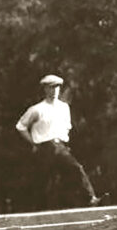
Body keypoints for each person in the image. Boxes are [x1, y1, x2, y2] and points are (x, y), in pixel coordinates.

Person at [16, 74, 104, 208]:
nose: (54, 91)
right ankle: (35, 209)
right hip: (45, 146)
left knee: (74, 169)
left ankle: (90, 198)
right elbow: (21, 126)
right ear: (45, 89)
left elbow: (67, 126)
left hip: (60, 146)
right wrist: (33, 143)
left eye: (57, 87)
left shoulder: (64, 107)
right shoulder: (37, 109)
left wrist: (63, 142)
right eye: (51, 87)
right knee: (45, 180)